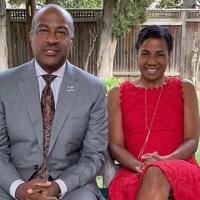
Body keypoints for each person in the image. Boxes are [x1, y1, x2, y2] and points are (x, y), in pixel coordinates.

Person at [0, 4, 108, 200]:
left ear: (71, 41)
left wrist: (59, 186)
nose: (51, 39)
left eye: (61, 32)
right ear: (30, 37)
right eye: (43, 30)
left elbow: (94, 155)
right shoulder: (3, 84)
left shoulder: (93, 89)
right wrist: (18, 188)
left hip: (71, 186)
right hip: (12, 183)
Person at [108, 25, 200, 200]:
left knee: (156, 172)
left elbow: (192, 141)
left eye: (159, 54)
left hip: (180, 166)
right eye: (145, 53)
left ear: (169, 57)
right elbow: (116, 146)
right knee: (154, 173)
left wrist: (164, 160)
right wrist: (142, 167)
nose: (152, 61)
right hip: (134, 170)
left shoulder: (184, 88)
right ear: (137, 55)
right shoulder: (117, 94)